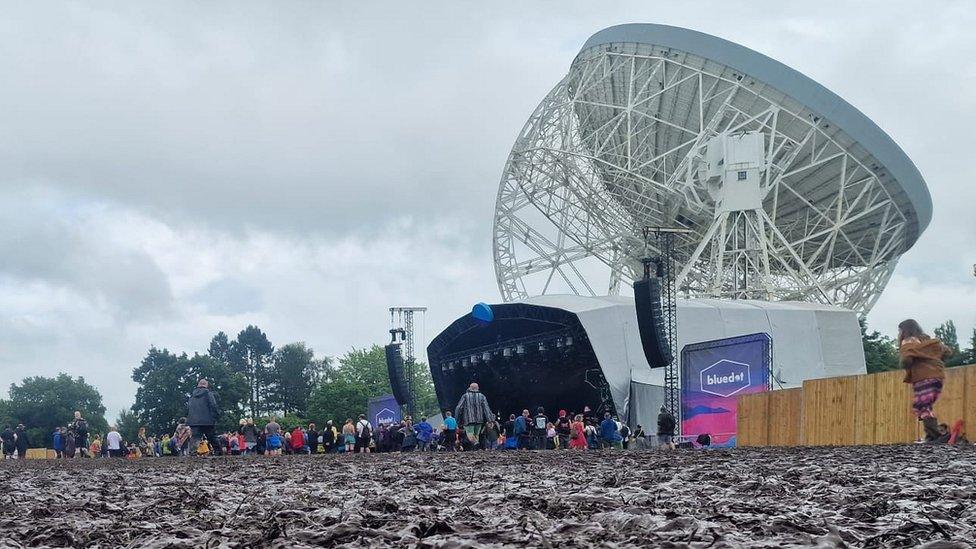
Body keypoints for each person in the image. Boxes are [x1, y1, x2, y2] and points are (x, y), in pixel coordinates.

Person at [898, 319, 951, 442]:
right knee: (925, 406)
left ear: (904, 330)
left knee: (922, 406)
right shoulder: (927, 340)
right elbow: (947, 351)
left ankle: (935, 436)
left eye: (900, 330)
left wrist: (906, 364)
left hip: (923, 377)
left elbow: (906, 359)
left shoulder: (908, 341)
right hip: (937, 377)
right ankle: (931, 435)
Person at [454, 382, 494, 450]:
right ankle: (476, 449)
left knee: (470, 435)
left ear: (470, 388)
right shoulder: (482, 396)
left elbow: (459, 408)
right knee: (476, 435)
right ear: (477, 388)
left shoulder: (465, 396)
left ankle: (476, 444)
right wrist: (490, 420)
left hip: (468, 419)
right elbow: (486, 409)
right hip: (479, 419)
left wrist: (457, 419)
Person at [186, 379, 220, 454]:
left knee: (195, 438)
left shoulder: (192, 396)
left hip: (194, 421)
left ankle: (192, 453)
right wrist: (216, 416)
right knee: (212, 437)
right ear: (206, 385)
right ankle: (218, 452)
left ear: (198, 385)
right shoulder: (208, 393)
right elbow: (213, 405)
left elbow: (188, 407)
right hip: (207, 420)